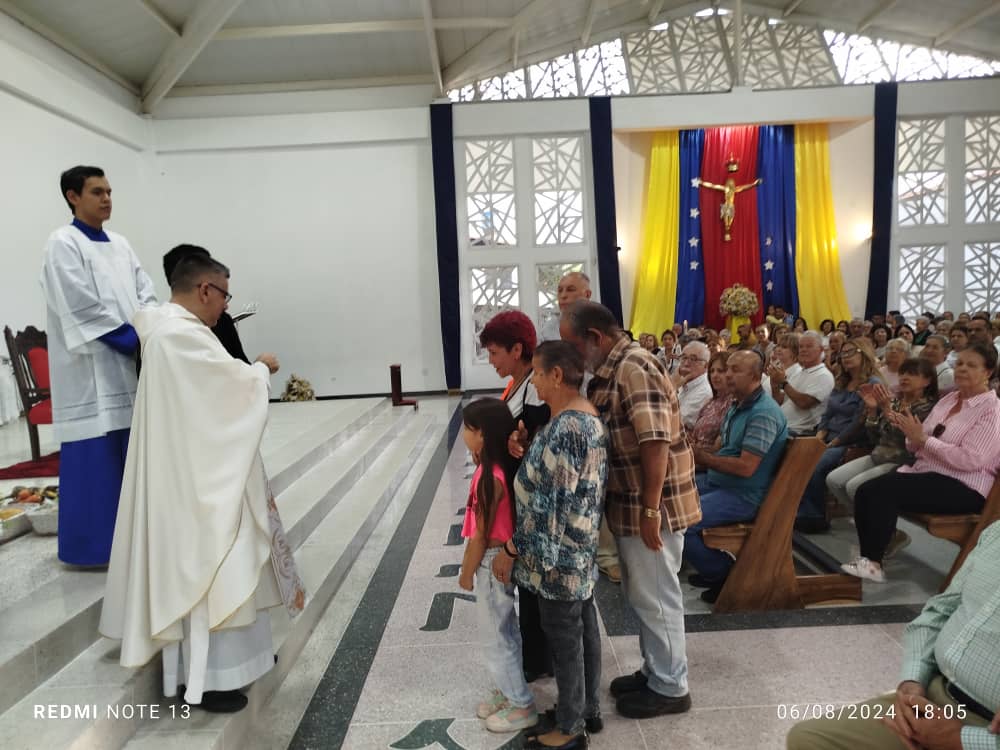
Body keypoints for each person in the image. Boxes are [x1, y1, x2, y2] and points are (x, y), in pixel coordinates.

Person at [100, 254, 304, 713]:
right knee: (213, 566)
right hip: (197, 485)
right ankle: (211, 679)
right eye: (225, 295)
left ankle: (243, 664)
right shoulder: (179, 336)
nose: (225, 307)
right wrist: (260, 370)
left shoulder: (171, 332)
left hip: (202, 470)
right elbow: (228, 391)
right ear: (205, 290)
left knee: (229, 563)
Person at [560, 301, 700, 720]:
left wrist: (651, 510)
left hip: (653, 507)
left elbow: (655, 441)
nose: (572, 357)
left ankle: (672, 687)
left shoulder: (634, 367)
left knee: (657, 596)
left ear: (595, 338)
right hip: (632, 506)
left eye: (573, 346)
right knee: (643, 595)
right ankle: (655, 670)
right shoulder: (613, 369)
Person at [787, 522, 1000, 750]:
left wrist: (962, 740)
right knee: (809, 739)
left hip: (986, 727)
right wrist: (913, 680)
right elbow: (940, 611)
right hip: (936, 694)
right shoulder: (996, 533)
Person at [493, 341, 608, 749]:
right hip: (578, 548)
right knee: (582, 630)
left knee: (564, 640)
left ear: (557, 375)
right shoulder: (580, 417)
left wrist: (511, 550)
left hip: (558, 558)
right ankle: (585, 708)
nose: (535, 384)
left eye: (538, 376)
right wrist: (529, 451)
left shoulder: (568, 429)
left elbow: (550, 508)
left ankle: (570, 728)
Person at [40, 165, 157, 566]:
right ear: (73, 196)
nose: (107, 198)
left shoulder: (121, 244)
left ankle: (133, 547)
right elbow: (79, 305)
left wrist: (150, 328)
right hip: (90, 373)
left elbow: (145, 291)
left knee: (131, 458)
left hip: (128, 366)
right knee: (96, 462)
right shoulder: (63, 243)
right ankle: (92, 550)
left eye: (108, 191)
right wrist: (131, 339)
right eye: (96, 192)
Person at [841, 342, 1000, 583]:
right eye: (959, 363)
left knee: (880, 491)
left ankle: (873, 563)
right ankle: (870, 560)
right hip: (926, 472)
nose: (962, 369)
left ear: (987, 372)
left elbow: (971, 459)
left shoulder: (992, 410)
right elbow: (916, 441)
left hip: (964, 485)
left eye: (971, 365)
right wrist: (913, 436)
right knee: (865, 491)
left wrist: (924, 440)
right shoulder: (949, 399)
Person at [458, 398, 539, 734]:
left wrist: (466, 573)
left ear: (482, 434)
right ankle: (509, 691)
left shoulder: (489, 477)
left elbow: (480, 535)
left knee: (496, 635)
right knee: (503, 630)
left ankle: (521, 704)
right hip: (494, 561)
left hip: (490, 562)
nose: (463, 433)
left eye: (467, 428)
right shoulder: (492, 467)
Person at [479, 311, 552, 682]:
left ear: (517, 349)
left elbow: (534, 444)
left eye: (494, 353)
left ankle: (539, 659)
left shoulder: (534, 392)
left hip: (531, 502)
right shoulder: (516, 385)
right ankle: (534, 652)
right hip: (515, 498)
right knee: (526, 583)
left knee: (534, 585)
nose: (491, 361)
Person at [686, 351, 788, 601]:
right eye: (726, 369)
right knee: (670, 497)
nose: (727, 375)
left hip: (743, 494)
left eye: (735, 370)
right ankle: (710, 568)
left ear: (755, 376)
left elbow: (746, 467)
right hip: (719, 482)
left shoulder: (763, 413)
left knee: (682, 521)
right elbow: (724, 449)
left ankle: (726, 574)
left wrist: (703, 457)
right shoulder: (737, 405)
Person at [826, 359, 937, 555]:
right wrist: (872, 410)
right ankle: (885, 531)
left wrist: (885, 409)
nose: (904, 377)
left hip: (903, 461)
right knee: (834, 480)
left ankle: (880, 535)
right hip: (880, 454)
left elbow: (906, 438)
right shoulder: (895, 401)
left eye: (912, 374)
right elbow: (875, 436)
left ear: (927, 381)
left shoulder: (927, 408)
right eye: (903, 373)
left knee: (855, 487)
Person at [795, 340, 883, 533]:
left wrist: (834, 442)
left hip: (853, 441)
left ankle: (814, 516)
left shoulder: (872, 384)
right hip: (829, 435)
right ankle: (799, 509)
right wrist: (820, 434)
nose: (845, 357)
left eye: (851, 352)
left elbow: (859, 423)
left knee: (816, 464)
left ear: (864, 353)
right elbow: (828, 413)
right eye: (843, 353)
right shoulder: (842, 381)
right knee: (798, 454)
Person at [163, 244, 249, 363]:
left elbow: (241, 366)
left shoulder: (222, 321)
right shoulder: (177, 333)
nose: (225, 306)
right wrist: (263, 365)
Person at [770, 331, 835, 436]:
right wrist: (774, 384)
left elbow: (804, 403)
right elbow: (779, 401)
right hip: (781, 426)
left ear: (821, 349)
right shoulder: (800, 372)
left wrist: (783, 383)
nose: (804, 350)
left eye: (809, 346)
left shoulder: (823, 375)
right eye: (801, 347)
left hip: (799, 431)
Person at [690, 351, 735, 459]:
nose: (714, 375)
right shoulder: (711, 402)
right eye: (712, 371)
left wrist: (694, 450)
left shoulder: (733, 403)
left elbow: (718, 449)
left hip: (710, 462)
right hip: (694, 456)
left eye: (720, 371)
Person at [538, 272, 592, 343]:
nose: (563, 296)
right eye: (560, 291)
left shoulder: (600, 323)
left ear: (587, 295)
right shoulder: (548, 330)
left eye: (570, 290)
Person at [673, 341, 713, 430]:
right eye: (684, 358)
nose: (686, 363)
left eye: (693, 359)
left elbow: (677, 421)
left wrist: (672, 388)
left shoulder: (705, 390)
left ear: (706, 365)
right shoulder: (684, 381)